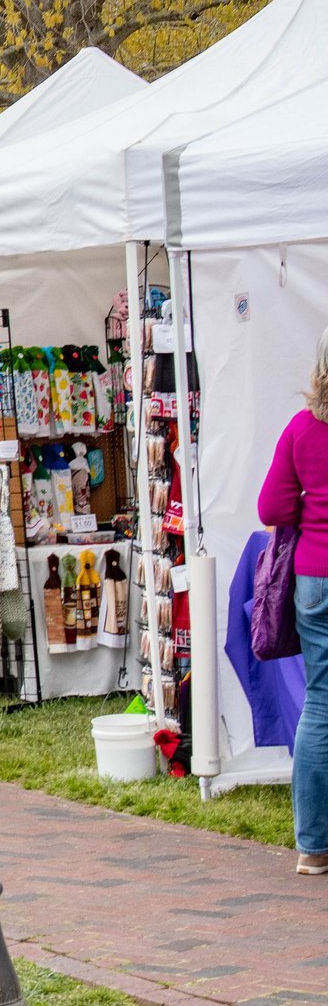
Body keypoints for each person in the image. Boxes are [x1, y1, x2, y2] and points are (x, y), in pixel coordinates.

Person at [257, 326, 328, 875]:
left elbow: (271, 508)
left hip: (315, 577)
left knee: (320, 704)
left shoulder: (303, 428)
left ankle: (313, 846)